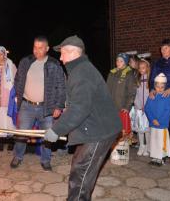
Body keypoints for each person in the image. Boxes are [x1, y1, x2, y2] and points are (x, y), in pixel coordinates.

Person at [44, 35, 121, 200]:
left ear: (72, 53)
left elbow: (80, 108)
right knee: (79, 167)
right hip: (95, 126)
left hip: (100, 131)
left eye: (62, 53)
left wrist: (56, 130)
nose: (61, 57)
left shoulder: (81, 73)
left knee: (81, 173)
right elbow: (80, 104)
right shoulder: (80, 69)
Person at [11, 36, 65, 171]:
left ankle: (46, 160)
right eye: (35, 47)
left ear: (47, 49)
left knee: (47, 135)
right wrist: (18, 95)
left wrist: (59, 106)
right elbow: (18, 79)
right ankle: (18, 156)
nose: (37, 50)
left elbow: (61, 86)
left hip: (46, 107)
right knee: (21, 133)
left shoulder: (54, 64)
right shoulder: (25, 61)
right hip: (26, 106)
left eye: (40, 48)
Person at [145, 73, 170, 166]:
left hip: (162, 124)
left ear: (165, 87)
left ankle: (161, 157)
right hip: (153, 124)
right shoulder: (151, 96)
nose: (160, 88)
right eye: (158, 86)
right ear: (154, 86)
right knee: (154, 140)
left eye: (162, 86)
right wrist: (152, 119)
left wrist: (159, 121)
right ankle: (154, 157)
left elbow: (168, 111)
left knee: (161, 141)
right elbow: (147, 108)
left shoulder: (167, 97)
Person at [107, 53, 137, 136]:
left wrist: (127, 107)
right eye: (117, 60)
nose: (118, 62)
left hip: (122, 107)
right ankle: (113, 147)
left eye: (121, 61)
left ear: (126, 62)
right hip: (112, 108)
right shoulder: (112, 74)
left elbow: (132, 92)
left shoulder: (129, 75)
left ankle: (123, 148)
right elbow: (107, 90)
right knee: (112, 130)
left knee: (123, 132)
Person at [132, 57, 151, 156]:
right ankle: (141, 146)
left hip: (147, 109)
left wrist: (146, 106)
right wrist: (138, 105)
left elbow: (151, 95)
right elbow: (135, 94)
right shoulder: (137, 80)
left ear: (147, 68)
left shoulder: (150, 81)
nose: (141, 70)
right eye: (140, 68)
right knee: (140, 129)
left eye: (143, 68)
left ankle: (148, 146)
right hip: (139, 108)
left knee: (147, 129)